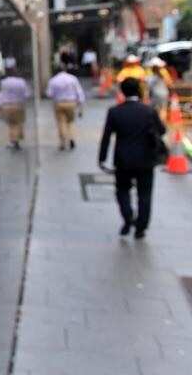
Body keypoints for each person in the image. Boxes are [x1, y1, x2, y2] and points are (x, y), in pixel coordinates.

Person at [98, 77, 166, 239]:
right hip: (146, 160)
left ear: (122, 92)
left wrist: (101, 158)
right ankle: (141, 227)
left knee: (122, 191)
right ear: (139, 91)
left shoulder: (114, 111)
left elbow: (106, 137)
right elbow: (162, 130)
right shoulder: (149, 111)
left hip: (123, 160)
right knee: (145, 194)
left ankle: (128, 217)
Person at [46, 59, 85, 151]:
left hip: (59, 103)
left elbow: (49, 94)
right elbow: (79, 92)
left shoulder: (53, 80)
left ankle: (62, 142)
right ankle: (71, 138)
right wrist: (81, 107)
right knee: (70, 122)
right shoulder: (72, 79)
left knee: (61, 123)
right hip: (71, 103)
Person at [0, 68, 31, 150]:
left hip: (6, 106)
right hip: (18, 105)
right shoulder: (21, 82)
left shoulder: (3, 82)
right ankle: (16, 141)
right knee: (18, 123)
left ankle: (14, 141)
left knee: (11, 124)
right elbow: (27, 94)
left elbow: (0, 95)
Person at [146, 57, 170, 122]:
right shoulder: (163, 74)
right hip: (164, 93)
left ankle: (157, 123)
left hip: (155, 94)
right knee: (163, 109)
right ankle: (162, 123)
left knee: (155, 109)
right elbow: (168, 83)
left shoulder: (150, 77)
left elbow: (148, 87)